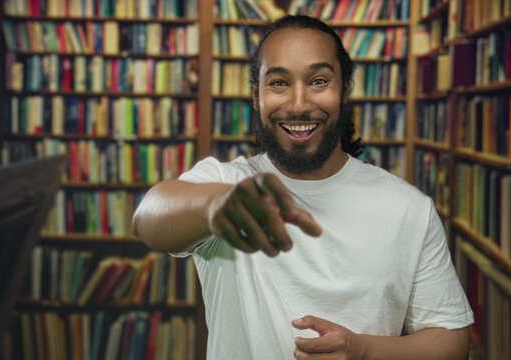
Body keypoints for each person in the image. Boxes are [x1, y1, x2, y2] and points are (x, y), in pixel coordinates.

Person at [132, 15, 474, 360]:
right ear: (257, 96)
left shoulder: (409, 208)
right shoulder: (227, 184)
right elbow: (148, 218)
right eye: (278, 83)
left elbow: (453, 343)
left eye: (319, 81)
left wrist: (363, 350)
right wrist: (214, 206)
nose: (298, 104)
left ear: (344, 91)